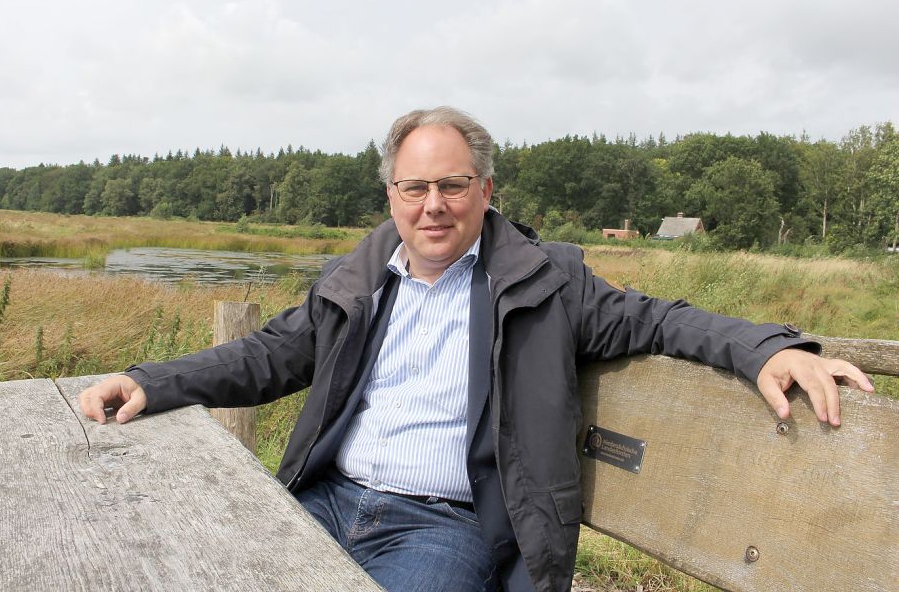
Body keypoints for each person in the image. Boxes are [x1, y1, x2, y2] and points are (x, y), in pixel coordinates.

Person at [80, 107, 873, 592]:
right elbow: (269, 354)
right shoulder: (359, 279)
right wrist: (153, 380)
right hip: (325, 497)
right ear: (389, 194)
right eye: (414, 188)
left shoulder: (545, 282)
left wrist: (769, 348)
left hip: (441, 527)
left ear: (486, 191)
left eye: (452, 185)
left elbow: (662, 320)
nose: (433, 206)